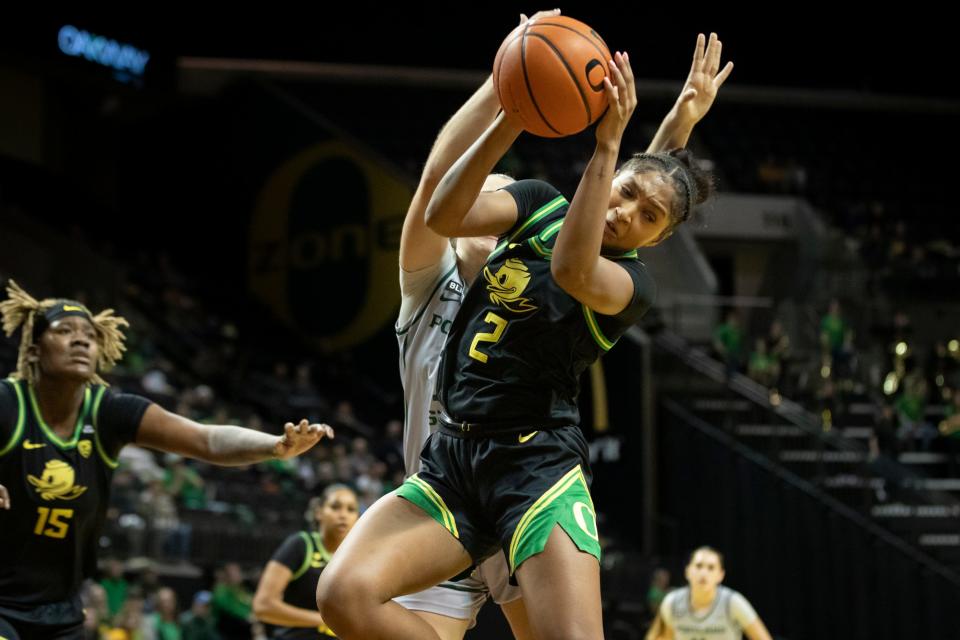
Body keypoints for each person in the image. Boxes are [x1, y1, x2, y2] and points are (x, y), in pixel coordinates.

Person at [317, 28, 732, 640]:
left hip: (533, 462)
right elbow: (442, 210)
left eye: (650, 220)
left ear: (661, 239)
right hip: (452, 462)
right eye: (625, 197)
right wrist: (513, 111)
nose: (627, 215)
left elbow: (581, 252)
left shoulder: (628, 283)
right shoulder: (529, 211)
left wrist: (618, 144)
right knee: (342, 594)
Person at [0, 280, 332, 639]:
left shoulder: (110, 410)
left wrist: (274, 445)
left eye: (90, 335)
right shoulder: (8, 402)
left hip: (60, 611)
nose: (81, 340)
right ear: (33, 351)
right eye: (64, 331)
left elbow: (207, 439)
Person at [253, 485, 359, 638]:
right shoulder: (300, 544)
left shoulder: (357, 557)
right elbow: (263, 605)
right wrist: (323, 620)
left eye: (351, 509)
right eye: (335, 507)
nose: (343, 515)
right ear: (318, 512)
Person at [658, 547, 772, 640]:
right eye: (698, 566)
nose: (703, 573)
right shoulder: (671, 602)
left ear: (720, 575)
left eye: (711, 568)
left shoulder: (733, 602)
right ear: (687, 571)